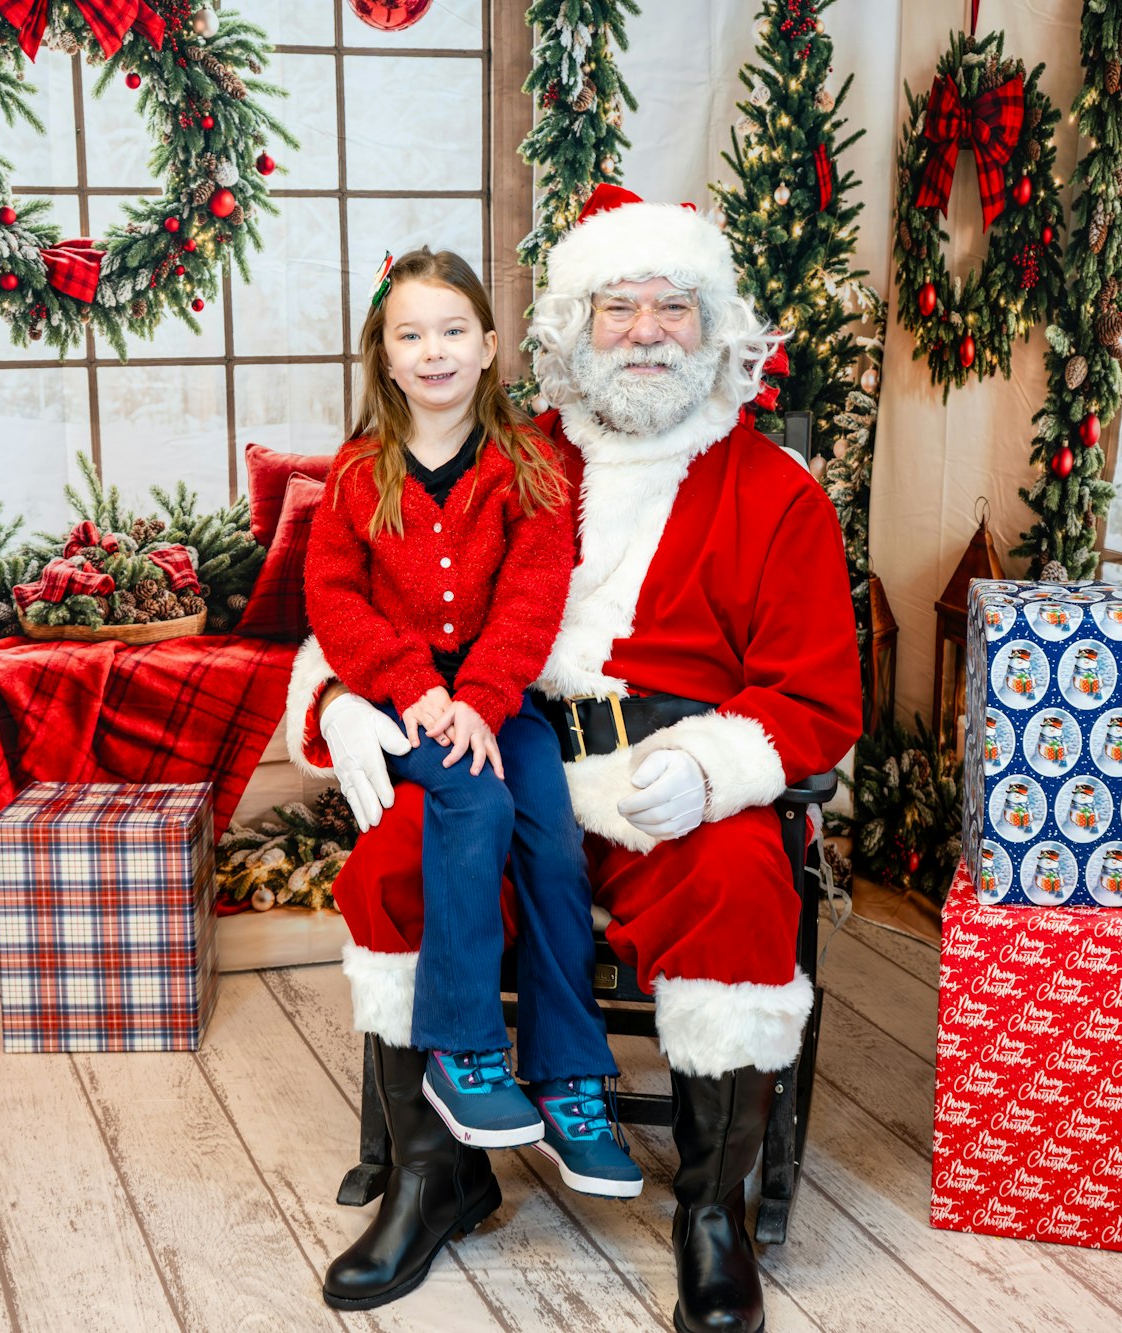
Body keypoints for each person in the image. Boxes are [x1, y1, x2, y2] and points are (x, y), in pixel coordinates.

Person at [292, 189, 862, 1330]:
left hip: (671, 787)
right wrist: (346, 696)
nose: (646, 330)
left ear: (715, 332)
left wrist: (711, 766)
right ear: (567, 327)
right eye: (618, 306)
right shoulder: (506, 455)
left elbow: (814, 696)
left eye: (673, 307)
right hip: (503, 753)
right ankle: (433, 1173)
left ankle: (712, 1209)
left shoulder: (776, 494)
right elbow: (377, 590)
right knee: (396, 863)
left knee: (743, 884)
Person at [304, 247, 642, 1300]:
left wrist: (482, 696)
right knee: (473, 798)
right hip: (406, 705)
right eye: (410, 334)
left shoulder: (531, 467)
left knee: (544, 828)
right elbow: (335, 600)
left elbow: (534, 599)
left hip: (503, 701)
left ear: (490, 347)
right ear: (385, 358)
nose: (433, 349)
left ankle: (567, 1067)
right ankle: (462, 1047)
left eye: (453, 329)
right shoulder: (360, 473)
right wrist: (412, 689)